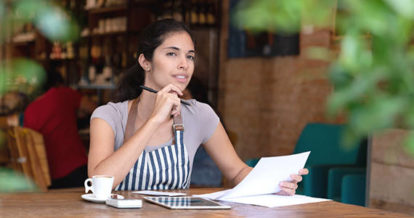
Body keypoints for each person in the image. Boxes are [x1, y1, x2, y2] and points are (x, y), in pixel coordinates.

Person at [89, 19, 308, 194]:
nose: (184, 64)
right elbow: (99, 182)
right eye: (172, 53)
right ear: (145, 62)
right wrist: (155, 118)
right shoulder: (108, 116)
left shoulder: (199, 114)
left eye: (190, 56)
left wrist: (276, 184)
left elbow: (238, 171)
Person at [24, 69, 96, 189]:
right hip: (76, 170)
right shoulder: (62, 94)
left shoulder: (29, 110)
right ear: (58, 83)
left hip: (47, 177)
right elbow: (95, 109)